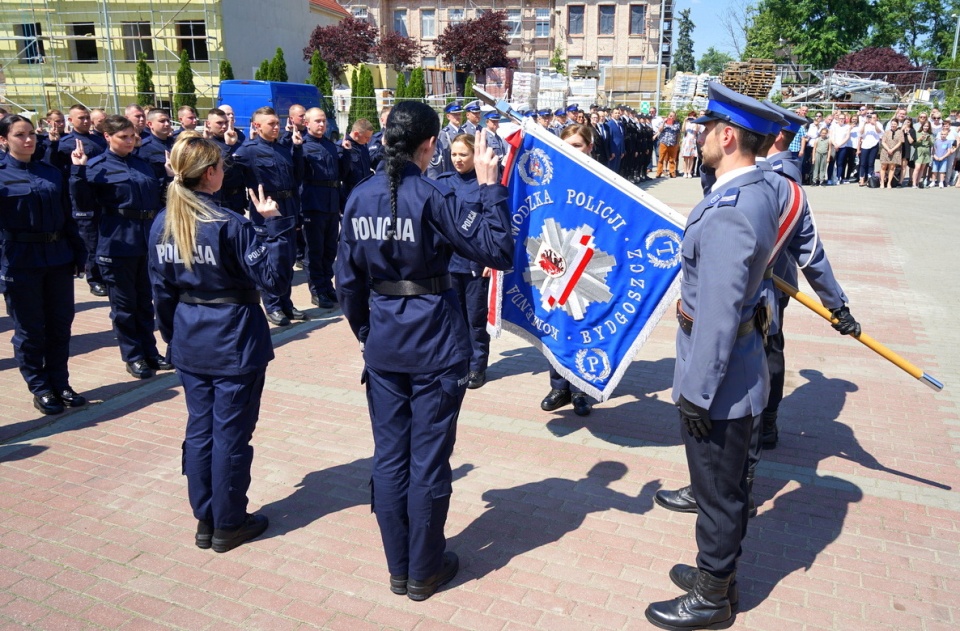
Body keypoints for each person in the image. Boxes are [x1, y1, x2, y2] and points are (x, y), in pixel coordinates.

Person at [335, 101, 514, 601]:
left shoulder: (360, 197)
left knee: (390, 458)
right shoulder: (431, 195)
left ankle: (401, 568)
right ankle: (423, 570)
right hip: (435, 343)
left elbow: (346, 282)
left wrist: (368, 334)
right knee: (428, 461)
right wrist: (490, 186)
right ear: (430, 145)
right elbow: (499, 249)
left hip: (386, 343)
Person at [644, 82, 784, 631]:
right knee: (722, 489)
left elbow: (721, 314)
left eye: (705, 130)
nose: (697, 136)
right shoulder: (755, 190)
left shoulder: (731, 208)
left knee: (719, 493)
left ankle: (711, 596)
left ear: (728, 136)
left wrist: (696, 393)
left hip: (721, 382)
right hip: (739, 367)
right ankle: (716, 575)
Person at [148, 133, 295, 553]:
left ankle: (206, 516)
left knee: (200, 430)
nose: (224, 173)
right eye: (221, 167)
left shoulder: (163, 222)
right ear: (210, 173)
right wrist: (273, 225)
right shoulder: (228, 224)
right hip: (233, 338)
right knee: (230, 433)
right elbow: (273, 280)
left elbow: (160, 292)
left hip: (191, 335)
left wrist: (173, 339)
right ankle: (228, 522)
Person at [69, 115, 171, 379]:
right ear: (107, 137)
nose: (129, 141)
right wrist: (78, 172)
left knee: (146, 303)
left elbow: (158, 197)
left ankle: (150, 351)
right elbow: (82, 204)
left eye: (131, 136)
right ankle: (133, 355)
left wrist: (170, 177)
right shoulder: (97, 166)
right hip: (117, 243)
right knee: (125, 306)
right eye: (123, 137)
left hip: (146, 242)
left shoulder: (142, 164)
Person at [0, 114, 88, 415]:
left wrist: (79, 255)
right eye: (19, 135)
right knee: (30, 329)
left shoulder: (49, 173)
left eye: (30, 135)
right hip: (20, 261)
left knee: (60, 326)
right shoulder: (1, 175)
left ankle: (60, 382)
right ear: (4, 140)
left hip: (58, 257)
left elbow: (68, 215)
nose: (28, 140)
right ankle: (40, 387)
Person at [232, 106, 307, 326]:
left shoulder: (283, 147)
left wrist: (298, 149)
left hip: (288, 207)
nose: (276, 127)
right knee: (270, 259)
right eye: (271, 124)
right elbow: (229, 174)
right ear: (256, 126)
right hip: (266, 210)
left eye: (277, 123)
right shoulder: (248, 150)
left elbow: (297, 177)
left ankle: (286, 303)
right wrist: (229, 147)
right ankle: (273, 306)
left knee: (288, 258)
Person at [436, 134, 491, 389]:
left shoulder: (485, 185)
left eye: (463, 155)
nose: (457, 159)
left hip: (474, 264)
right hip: (447, 264)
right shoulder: (442, 182)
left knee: (475, 319)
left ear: (474, 155)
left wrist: (491, 259)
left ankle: (478, 367)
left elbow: (494, 226)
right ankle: (458, 363)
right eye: (454, 154)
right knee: (451, 318)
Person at [56, 104, 108, 297]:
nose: (86, 121)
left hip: (100, 193)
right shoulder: (66, 143)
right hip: (81, 196)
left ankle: (105, 275)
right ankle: (94, 279)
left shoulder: (98, 140)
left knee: (103, 237)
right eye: (81, 118)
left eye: (87, 117)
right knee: (90, 240)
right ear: (71, 121)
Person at [300, 107, 348, 309]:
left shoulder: (329, 145)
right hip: (313, 204)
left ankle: (327, 286)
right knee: (315, 251)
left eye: (323, 121)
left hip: (331, 203)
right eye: (317, 121)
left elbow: (341, 173)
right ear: (307, 123)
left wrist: (345, 152)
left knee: (330, 249)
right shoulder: (302, 146)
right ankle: (317, 290)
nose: (321, 124)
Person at [203, 108, 245, 213]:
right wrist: (228, 147)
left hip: (237, 198)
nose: (224, 126)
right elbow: (220, 169)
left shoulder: (236, 139)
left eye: (226, 122)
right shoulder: (206, 144)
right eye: (219, 123)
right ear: (208, 124)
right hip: (218, 199)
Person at [857, 112, 883, 186]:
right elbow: (860, 134)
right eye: (871, 117)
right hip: (865, 145)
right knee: (863, 163)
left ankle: (869, 178)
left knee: (871, 163)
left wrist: (874, 124)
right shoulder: (864, 124)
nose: (872, 119)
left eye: (874, 117)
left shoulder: (878, 124)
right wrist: (865, 124)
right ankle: (861, 178)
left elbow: (880, 133)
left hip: (874, 145)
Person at [879, 119, 905, 189]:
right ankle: (882, 182)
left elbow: (900, 142)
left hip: (895, 151)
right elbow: (883, 142)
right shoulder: (886, 132)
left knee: (892, 167)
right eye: (892, 124)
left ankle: (889, 183)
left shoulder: (900, 132)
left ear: (897, 125)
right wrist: (888, 149)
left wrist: (892, 149)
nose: (893, 125)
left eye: (895, 124)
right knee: (883, 166)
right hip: (885, 151)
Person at [655, 111, 681, 178]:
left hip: (673, 143)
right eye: (670, 115)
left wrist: (678, 143)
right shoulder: (663, 122)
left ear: (675, 117)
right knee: (661, 158)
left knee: (672, 159)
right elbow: (660, 130)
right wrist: (664, 122)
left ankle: (672, 172)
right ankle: (659, 172)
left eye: (673, 116)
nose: (671, 117)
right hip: (664, 142)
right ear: (668, 116)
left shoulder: (677, 124)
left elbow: (678, 134)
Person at [913, 119, 933, 188]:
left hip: (926, 152)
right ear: (922, 126)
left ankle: (918, 183)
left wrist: (929, 140)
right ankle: (914, 184)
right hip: (919, 151)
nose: (926, 127)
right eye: (924, 126)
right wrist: (920, 139)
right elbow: (914, 143)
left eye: (927, 126)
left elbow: (932, 144)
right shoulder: (918, 133)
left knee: (922, 168)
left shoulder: (930, 134)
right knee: (917, 167)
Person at [680, 111, 699, 178]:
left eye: (692, 116)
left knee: (691, 157)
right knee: (685, 158)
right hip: (686, 140)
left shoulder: (696, 123)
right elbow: (682, 130)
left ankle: (689, 172)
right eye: (690, 116)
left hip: (692, 140)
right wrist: (685, 121)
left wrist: (696, 121)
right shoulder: (687, 123)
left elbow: (697, 130)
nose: (691, 118)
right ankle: (685, 172)